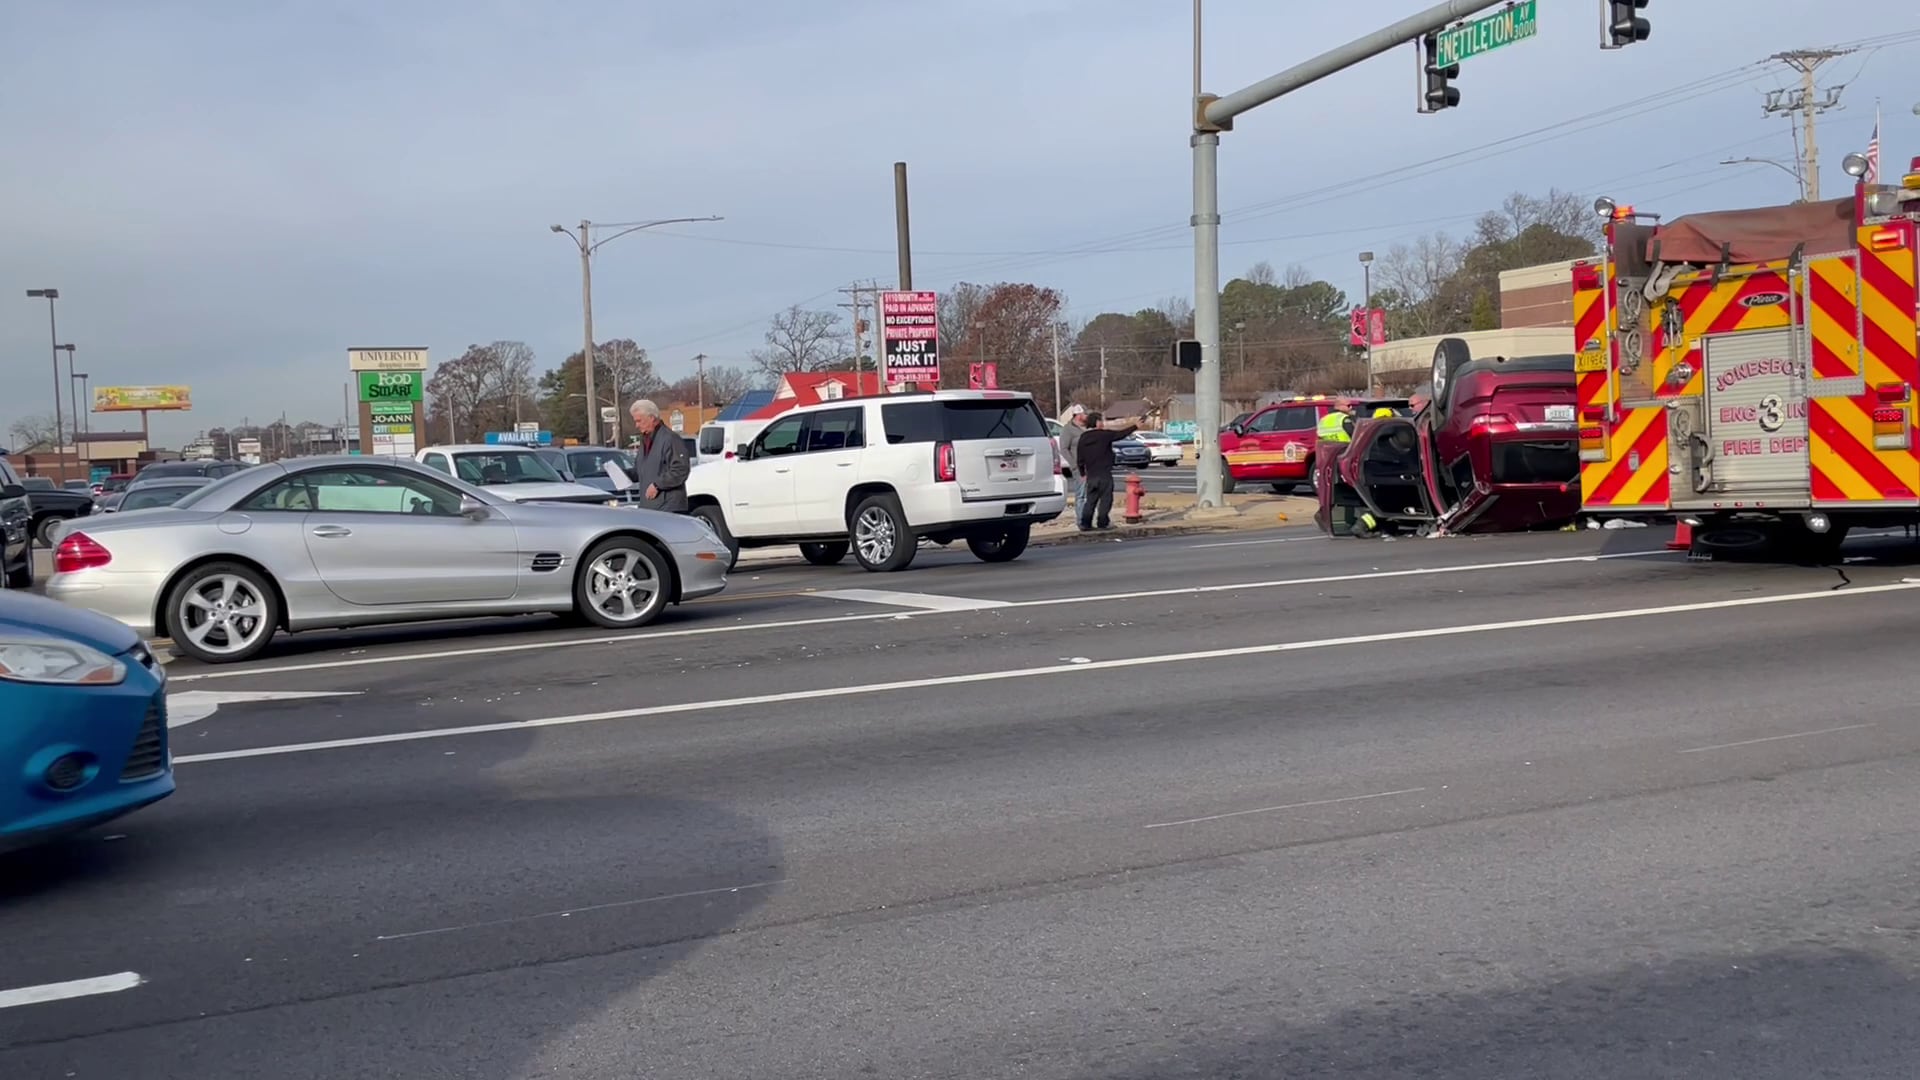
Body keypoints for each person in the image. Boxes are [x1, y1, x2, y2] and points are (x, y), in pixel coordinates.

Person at [1073, 412, 1137, 531]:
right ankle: (1103, 522)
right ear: (1097, 422)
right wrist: (1135, 426)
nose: (1103, 423)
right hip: (1104, 473)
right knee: (1105, 500)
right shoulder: (1104, 435)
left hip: (1091, 474)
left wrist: (1082, 473)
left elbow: (1080, 458)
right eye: (1101, 421)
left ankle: (1085, 523)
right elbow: (1121, 434)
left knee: (1090, 501)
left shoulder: (1083, 437)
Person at [626, 398, 691, 513]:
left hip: (669, 508)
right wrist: (622, 474)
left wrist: (657, 485)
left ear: (652, 418)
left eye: (639, 421)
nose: (636, 425)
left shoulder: (670, 439)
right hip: (649, 507)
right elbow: (641, 471)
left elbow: (680, 469)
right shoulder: (645, 442)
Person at [1057, 408, 1088, 505]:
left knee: (1091, 495)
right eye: (1085, 413)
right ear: (1078, 415)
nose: (1087, 416)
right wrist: (1074, 465)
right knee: (1081, 495)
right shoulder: (1068, 429)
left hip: (1091, 465)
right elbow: (1064, 449)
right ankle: (1081, 519)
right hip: (1079, 468)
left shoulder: (1087, 427)